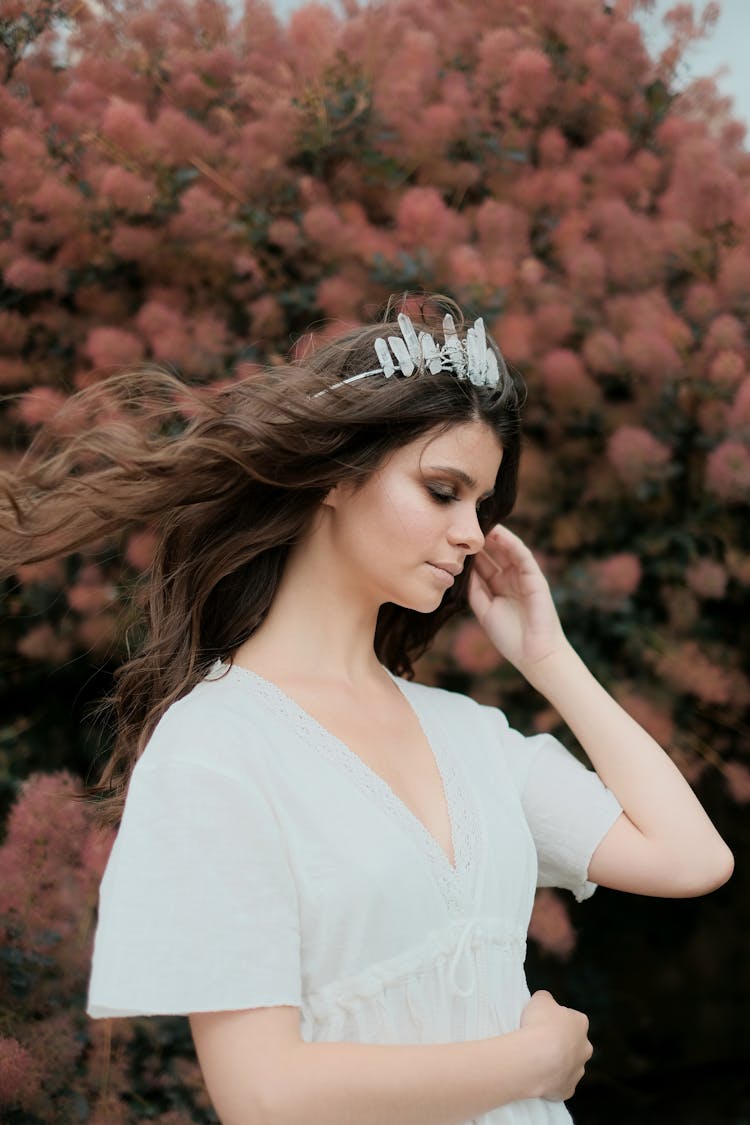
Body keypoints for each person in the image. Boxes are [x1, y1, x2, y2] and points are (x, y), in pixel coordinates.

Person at [1, 294, 733, 1125]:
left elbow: (690, 858)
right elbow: (263, 1094)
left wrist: (550, 661)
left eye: (481, 506)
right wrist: (528, 1060)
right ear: (336, 477)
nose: (470, 533)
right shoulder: (217, 743)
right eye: (442, 490)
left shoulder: (471, 736)